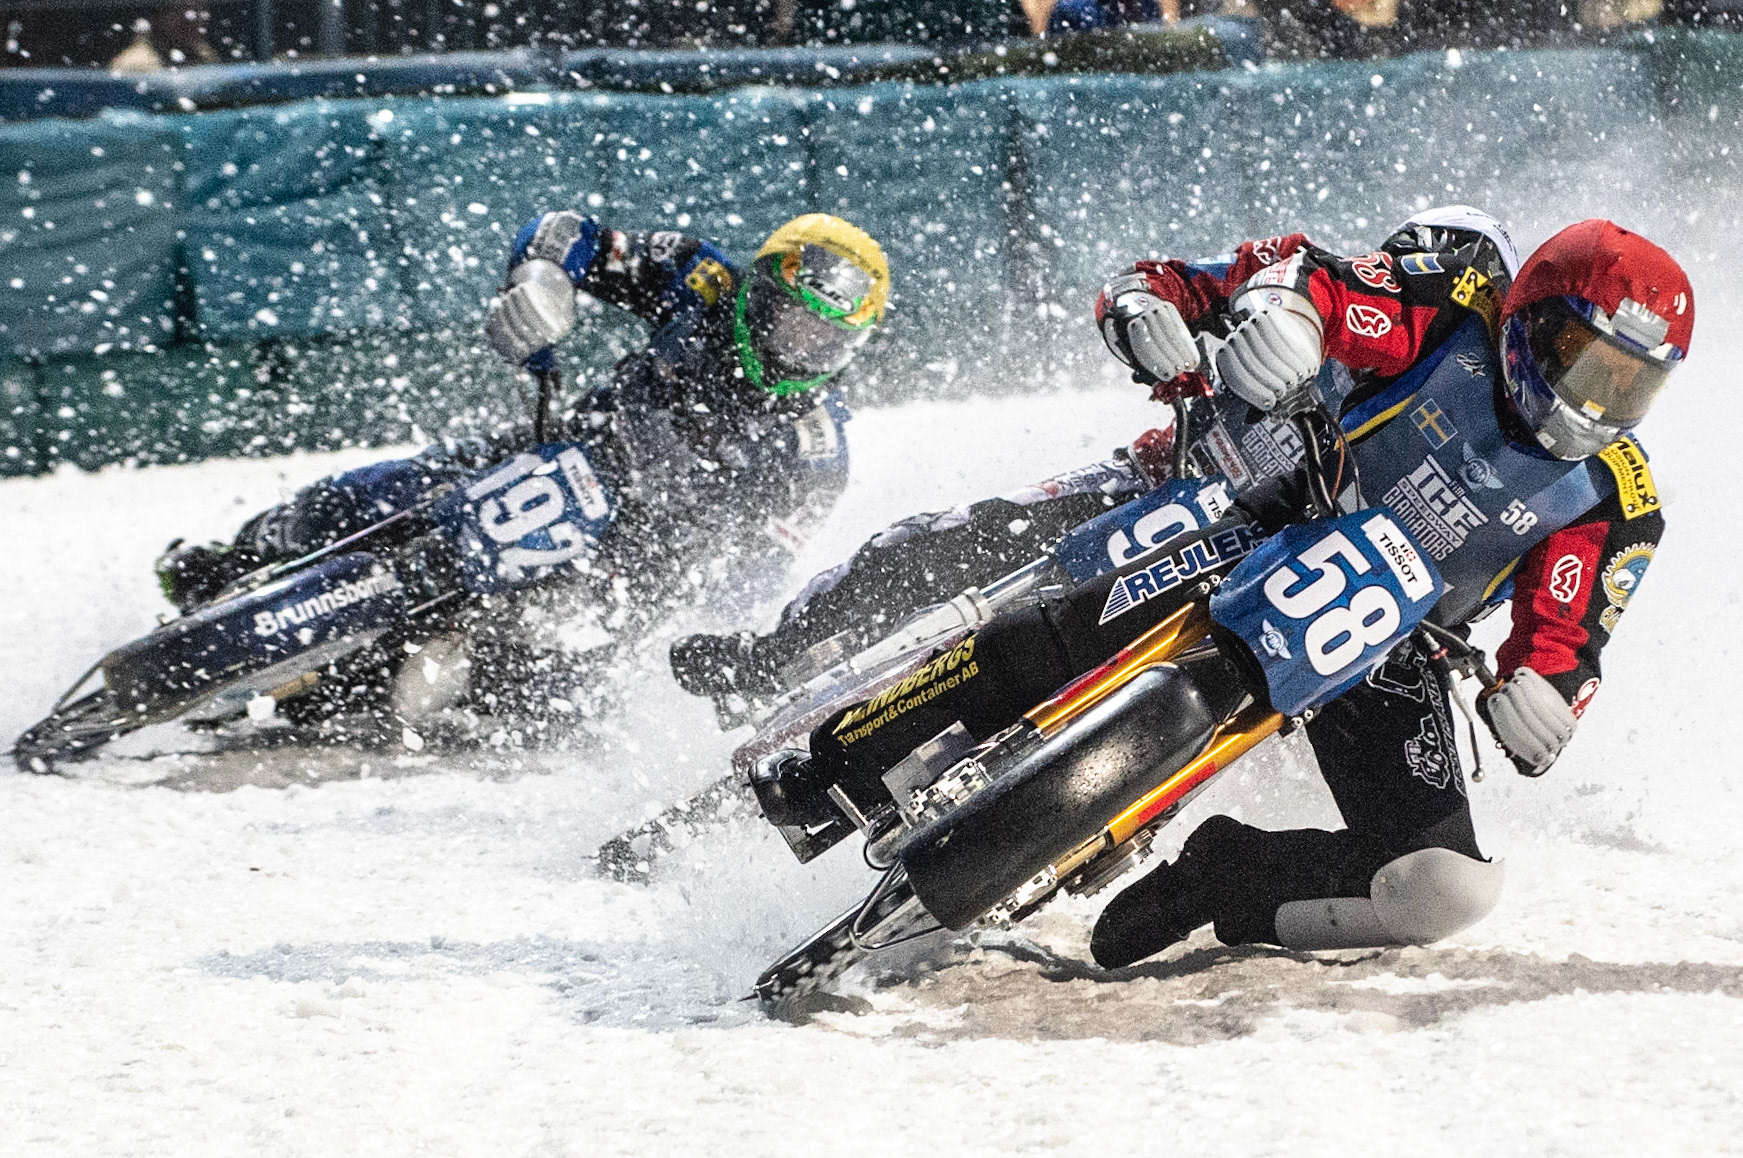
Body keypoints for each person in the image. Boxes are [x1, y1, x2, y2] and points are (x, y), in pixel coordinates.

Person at [1086, 216, 1688, 965]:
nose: (1591, 399)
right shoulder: (1446, 309)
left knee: (1444, 888)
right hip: (1220, 502)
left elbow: (1565, 634)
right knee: (956, 552)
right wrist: (1172, 308)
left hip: (1381, 632)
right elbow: (1293, 285)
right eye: (1580, 362)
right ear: (1524, 316)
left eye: (1626, 383)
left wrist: (1544, 693)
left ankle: (1229, 879)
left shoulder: (1613, 497)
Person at [668, 205, 1520, 714]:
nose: (1410, 281)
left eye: (1448, 274)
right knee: (936, 544)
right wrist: (1143, 313)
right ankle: (768, 661)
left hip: (1291, 603)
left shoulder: (1521, 452)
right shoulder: (1309, 283)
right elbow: (1152, 281)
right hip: (1163, 487)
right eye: (1403, 258)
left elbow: (1492, 589)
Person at [156, 212, 889, 650]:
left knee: (565, 683)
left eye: (822, 341)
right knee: (384, 487)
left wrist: (676, 603)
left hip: (631, 567)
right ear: (758, 292)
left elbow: (751, 579)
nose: (797, 349)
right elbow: (568, 231)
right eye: (787, 320)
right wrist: (542, 278)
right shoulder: (701, 282)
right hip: (552, 454)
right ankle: (240, 556)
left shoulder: (816, 453)